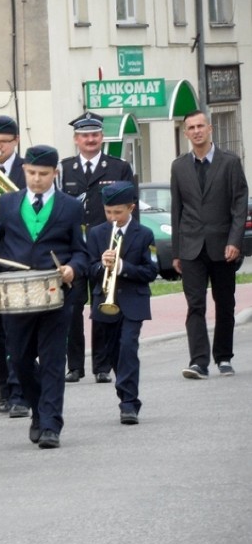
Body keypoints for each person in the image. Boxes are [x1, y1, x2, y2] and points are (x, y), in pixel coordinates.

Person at [0, 145, 88, 449]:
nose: (37, 179)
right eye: (31, 173)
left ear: (55, 174)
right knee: (21, 359)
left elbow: (81, 250)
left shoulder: (69, 207)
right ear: (24, 171)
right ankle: (39, 411)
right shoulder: (10, 203)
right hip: (16, 296)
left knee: (53, 360)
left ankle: (51, 423)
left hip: (55, 293)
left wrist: (72, 268)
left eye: (43, 174)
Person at [170, 110, 248, 379]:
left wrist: (235, 240)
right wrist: (177, 251)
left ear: (210, 128)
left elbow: (239, 205)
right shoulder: (179, 166)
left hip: (223, 246)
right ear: (186, 132)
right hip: (191, 246)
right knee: (195, 305)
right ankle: (198, 361)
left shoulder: (230, 162)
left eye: (200, 126)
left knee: (224, 303)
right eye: (191, 127)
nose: (196, 131)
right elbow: (176, 209)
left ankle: (223, 357)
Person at [58, 112, 135, 384]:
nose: (89, 140)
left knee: (103, 304)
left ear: (102, 137)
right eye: (84, 135)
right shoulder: (64, 169)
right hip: (75, 249)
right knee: (71, 307)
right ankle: (74, 366)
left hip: (107, 246)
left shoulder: (119, 168)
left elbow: (129, 210)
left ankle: (101, 365)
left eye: (94, 135)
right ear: (76, 139)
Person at [87, 181, 158, 424]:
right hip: (104, 301)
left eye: (118, 212)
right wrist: (100, 265)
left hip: (133, 301)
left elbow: (151, 270)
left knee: (128, 347)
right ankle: (124, 392)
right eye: (108, 212)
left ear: (131, 208)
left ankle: (129, 402)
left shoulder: (145, 234)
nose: (113, 217)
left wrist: (122, 267)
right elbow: (87, 268)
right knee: (113, 352)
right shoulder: (96, 234)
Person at [0, 115, 27, 416]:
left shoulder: (28, 171)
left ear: (16, 142)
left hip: (16, 256)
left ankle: (19, 388)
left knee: (16, 329)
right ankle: (3, 385)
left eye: (4, 142)